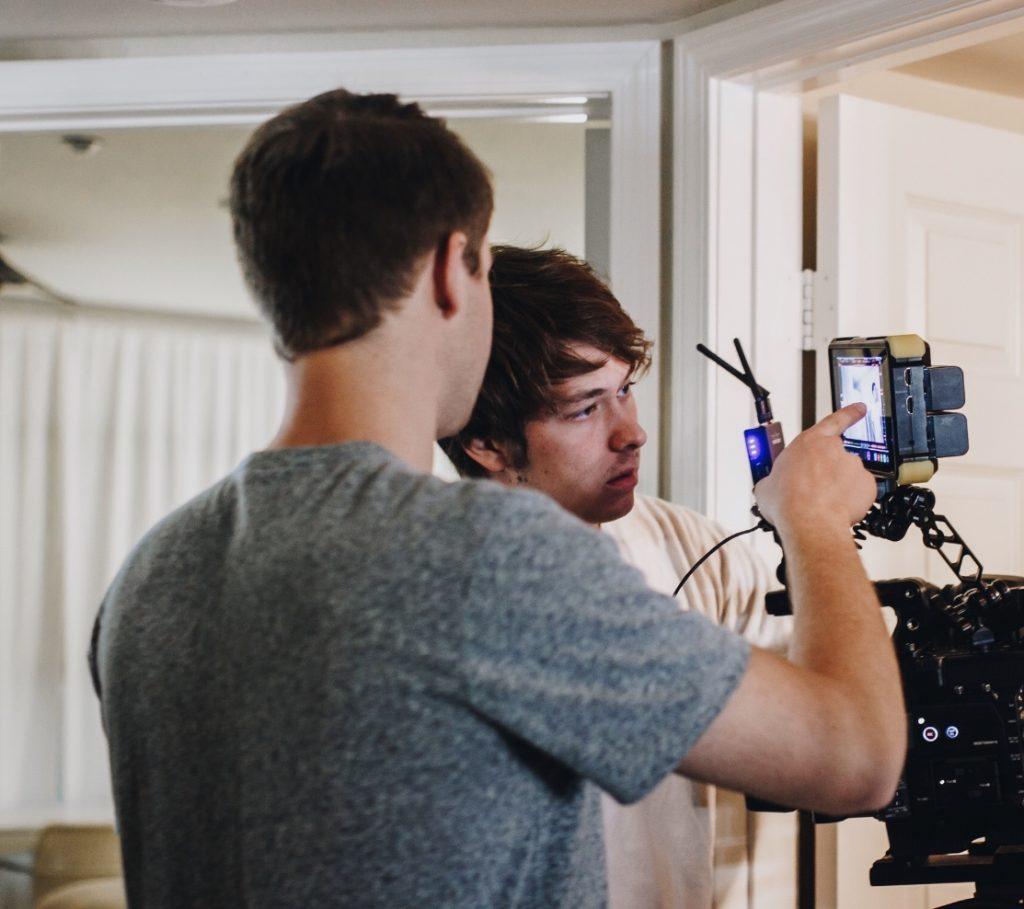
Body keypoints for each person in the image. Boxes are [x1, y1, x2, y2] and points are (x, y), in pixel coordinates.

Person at [89, 88, 905, 908]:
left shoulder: (148, 577)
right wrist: (816, 519)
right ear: (453, 269)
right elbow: (858, 757)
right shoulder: (484, 555)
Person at [440, 245, 794, 909]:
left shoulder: (693, 546)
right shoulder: (452, 598)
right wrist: (819, 528)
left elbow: (827, 731)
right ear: (485, 441)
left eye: (625, 390)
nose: (631, 433)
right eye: (585, 408)